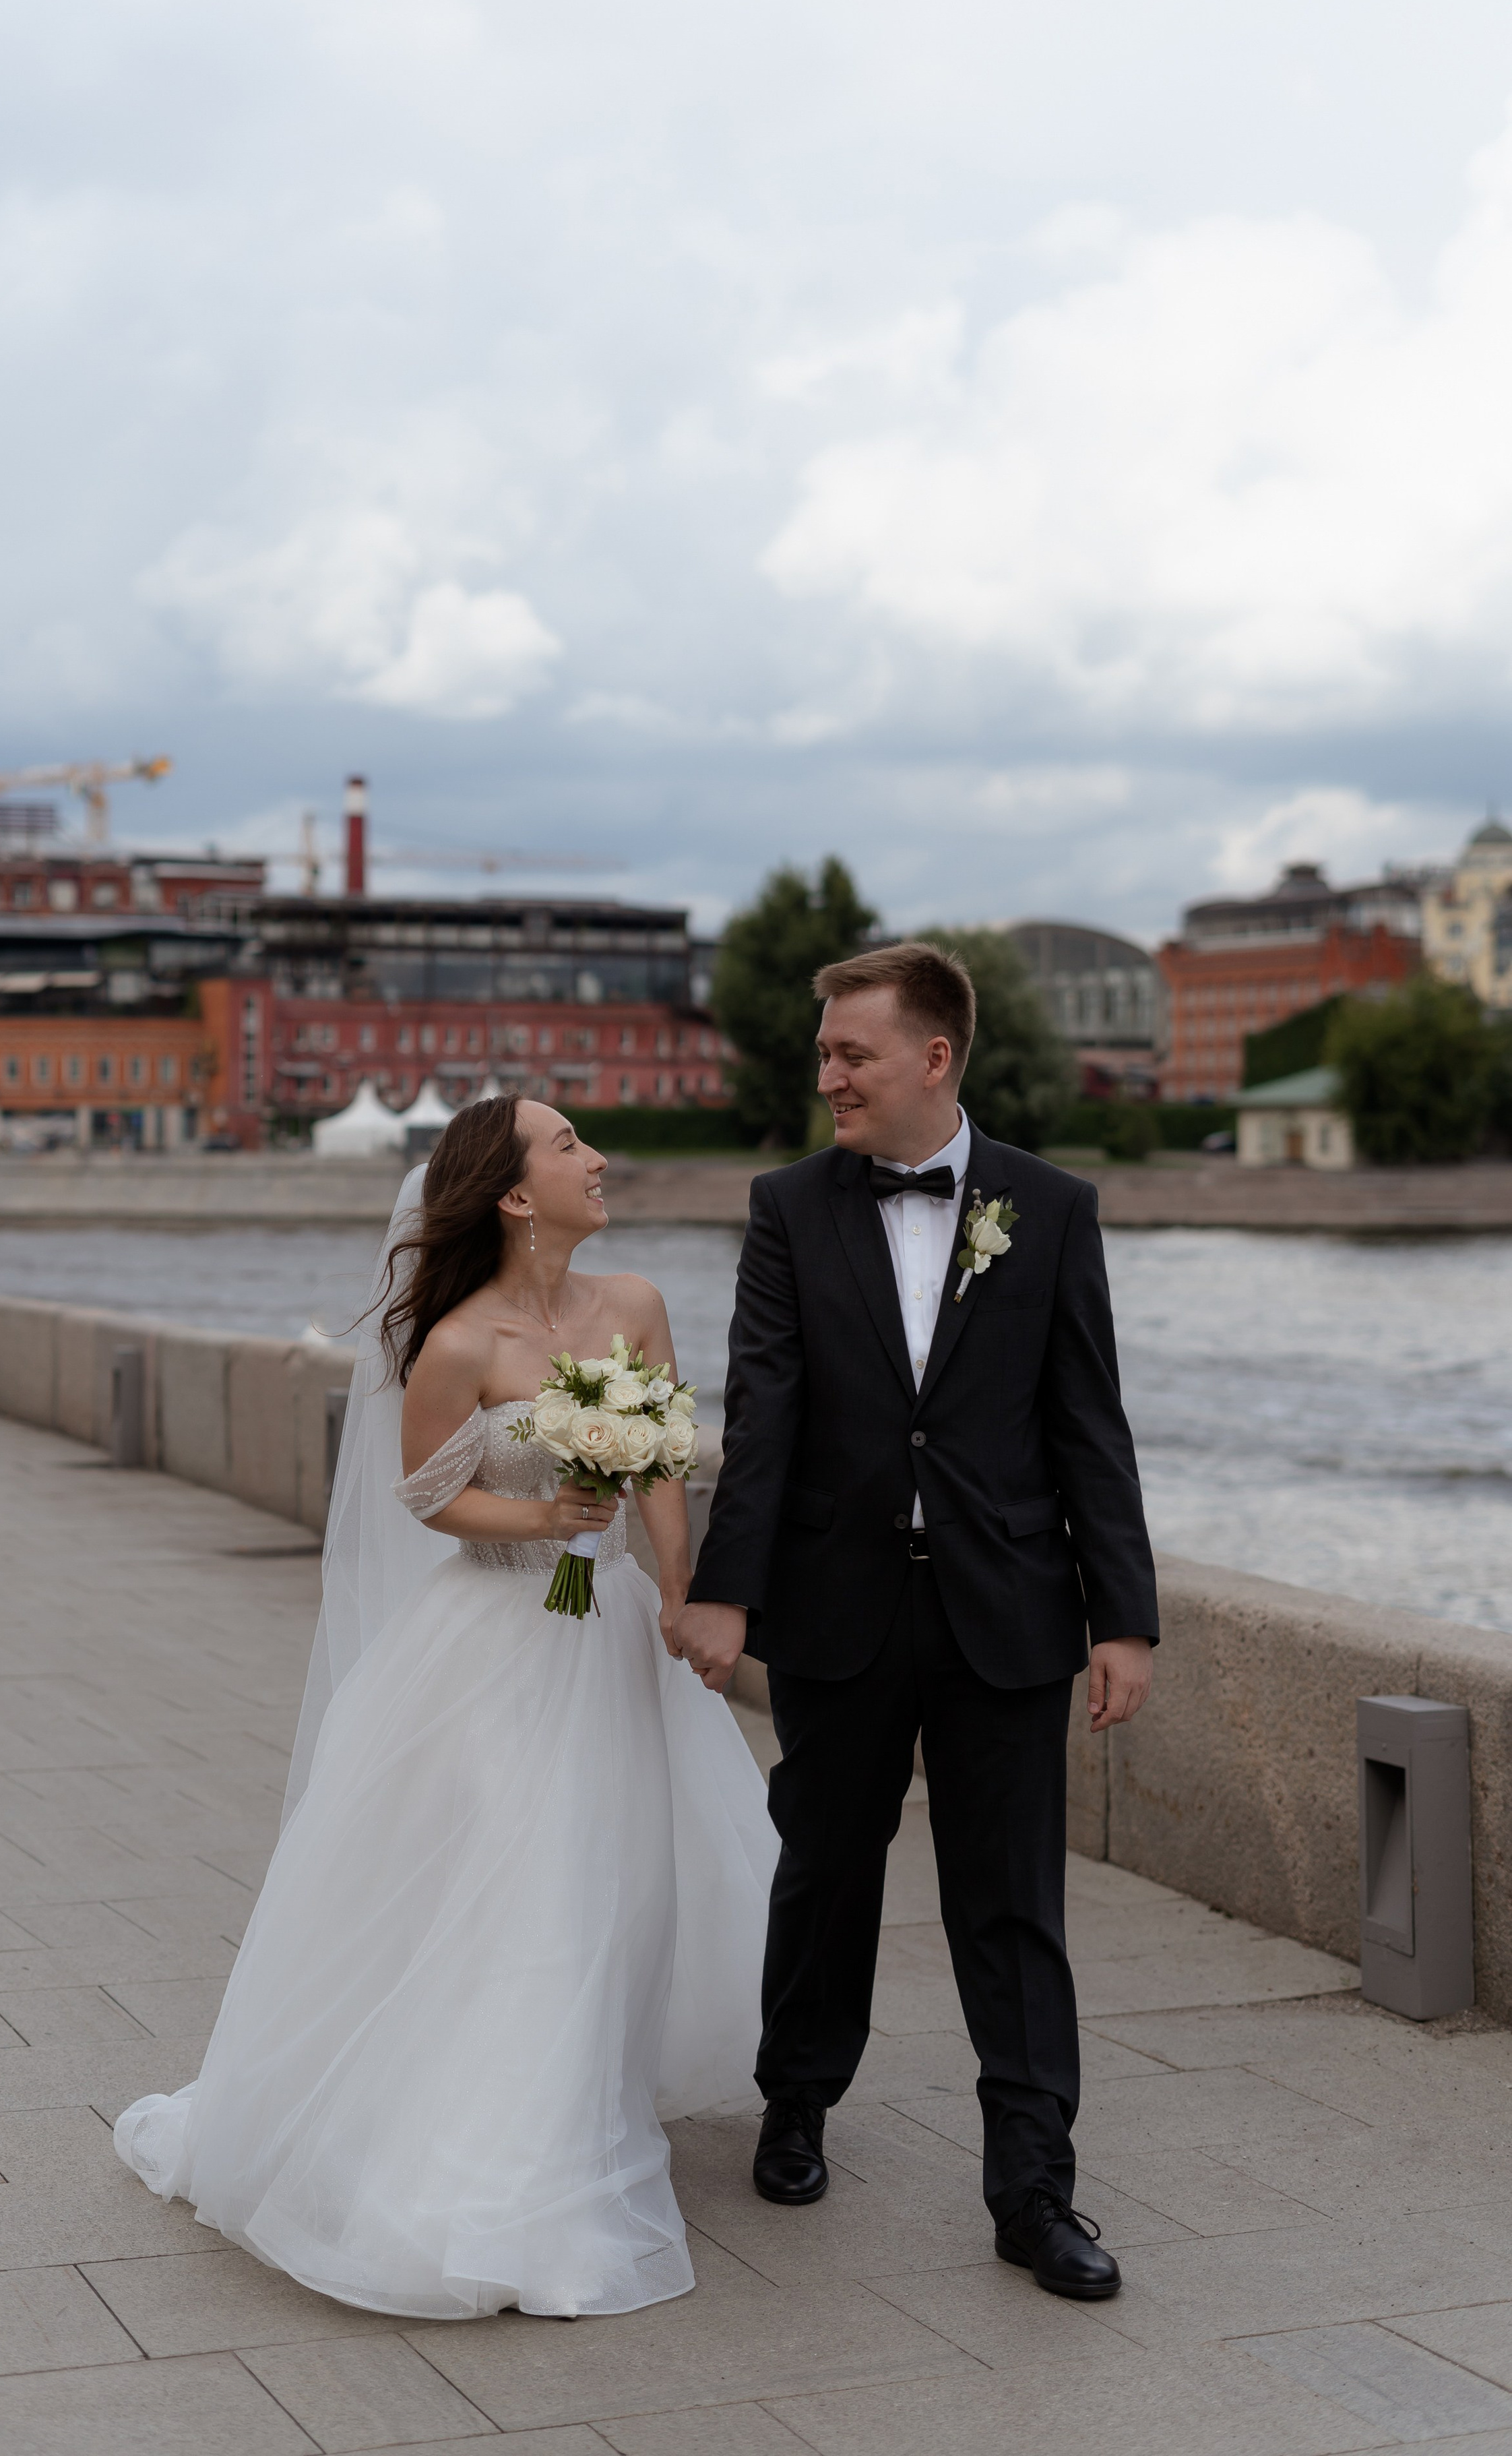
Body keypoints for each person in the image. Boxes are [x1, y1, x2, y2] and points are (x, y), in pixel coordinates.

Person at [115, 1097, 776, 2321]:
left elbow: (666, 1472)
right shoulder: (459, 1344)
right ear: (516, 1195)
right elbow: (426, 1497)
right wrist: (546, 1519)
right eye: (571, 1144)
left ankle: (581, 2086)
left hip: (610, 1632)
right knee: (532, 1878)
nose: (598, 1158)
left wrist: (686, 1603)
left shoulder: (632, 1307)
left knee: (622, 1874)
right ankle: (506, 2151)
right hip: (496, 1641)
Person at [671, 942, 1158, 2303]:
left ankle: (1033, 2192)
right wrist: (723, 1586)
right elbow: (760, 1413)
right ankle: (795, 2105)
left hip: (1008, 1610)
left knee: (1011, 1906)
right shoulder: (783, 1208)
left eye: (848, 1053)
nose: (824, 1072)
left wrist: (1122, 1616)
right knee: (822, 1874)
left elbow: (1086, 1423)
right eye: (823, 1052)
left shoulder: (1048, 1208)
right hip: (838, 1608)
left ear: (930, 1059)